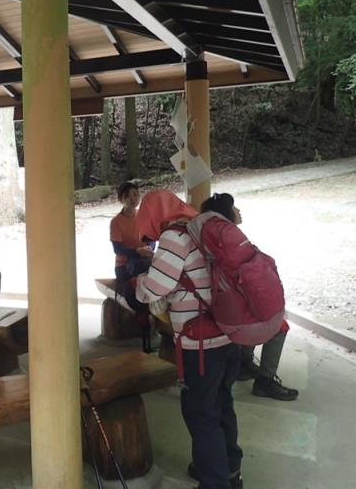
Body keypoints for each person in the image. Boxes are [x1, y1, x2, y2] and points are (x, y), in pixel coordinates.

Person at [135, 190, 243, 489]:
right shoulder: (203, 229)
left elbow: (155, 287)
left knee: (201, 414)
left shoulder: (175, 236)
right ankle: (230, 472)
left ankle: (214, 482)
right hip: (228, 334)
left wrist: (139, 283)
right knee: (222, 403)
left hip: (201, 344)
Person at [201, 192, 298, 401]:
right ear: (225, 212)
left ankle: (244, 364)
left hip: (222, 307)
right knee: (278, 325)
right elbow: (256, 288)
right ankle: (265, 381)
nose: (238, 210)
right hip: (234, 316)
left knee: (250, 307)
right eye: (234, 207)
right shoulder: (229, 240)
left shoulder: (213, 238)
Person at [110, 182, 154, 299]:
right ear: (121, 200)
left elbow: (151, 238)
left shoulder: (143, 215)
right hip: (124, 266)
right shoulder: (116, 222)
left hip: (143, 260)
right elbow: (117, 249)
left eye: (135, 195)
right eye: (127, 196)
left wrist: (149, 248)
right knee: (133, 295)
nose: (133, 199)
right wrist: (138, 251)